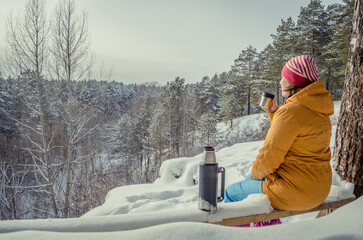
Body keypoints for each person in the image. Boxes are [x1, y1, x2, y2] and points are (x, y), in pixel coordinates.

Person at [224, 55, 334, 226]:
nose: (281, 82)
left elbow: (269, 156)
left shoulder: (290, 111)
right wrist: (274, 113)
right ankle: (266, 229)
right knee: (250, 182)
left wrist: (254, 177)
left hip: (296, 192)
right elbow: (295, 136)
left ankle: (244, 235)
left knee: (232, 192)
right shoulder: (319, 112)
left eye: (285, 78)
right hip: (319, 189)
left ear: (294, 82)